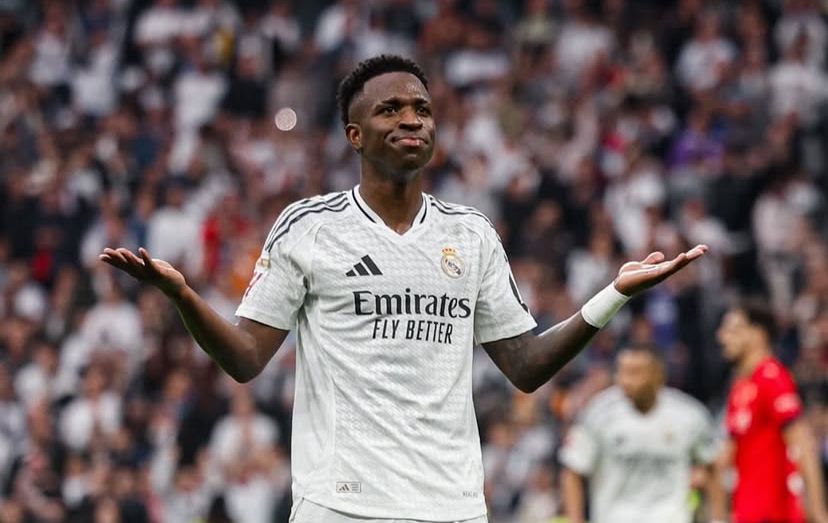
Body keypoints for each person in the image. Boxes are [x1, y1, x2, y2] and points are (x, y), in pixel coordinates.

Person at [99, 54, 708, 523]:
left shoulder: (471, 234)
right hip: (342, 505)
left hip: (452, 504)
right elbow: (245, 358)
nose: (411, 118)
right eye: (390, 109)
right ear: (354, 134)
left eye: (421, 108)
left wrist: (614, 293)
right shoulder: (309, 227)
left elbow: (524, 366)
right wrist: (183, 296)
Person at [558, 344, 727, 523]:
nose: (626, 381)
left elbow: (712, 467)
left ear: (658, 375)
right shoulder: (598, 413)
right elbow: (573, 471)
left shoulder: (688, 414)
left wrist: (718, 520)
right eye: (621, 372)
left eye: (635, 373)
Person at [716, 300, 828, 523]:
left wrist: (818, 512)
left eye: (733, 330)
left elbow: (803, 444)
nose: (722, 337)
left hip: (775, 514)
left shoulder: (773, 378)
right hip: (747, 513)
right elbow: (726, 456)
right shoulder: (740, 387)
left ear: (758, 335)